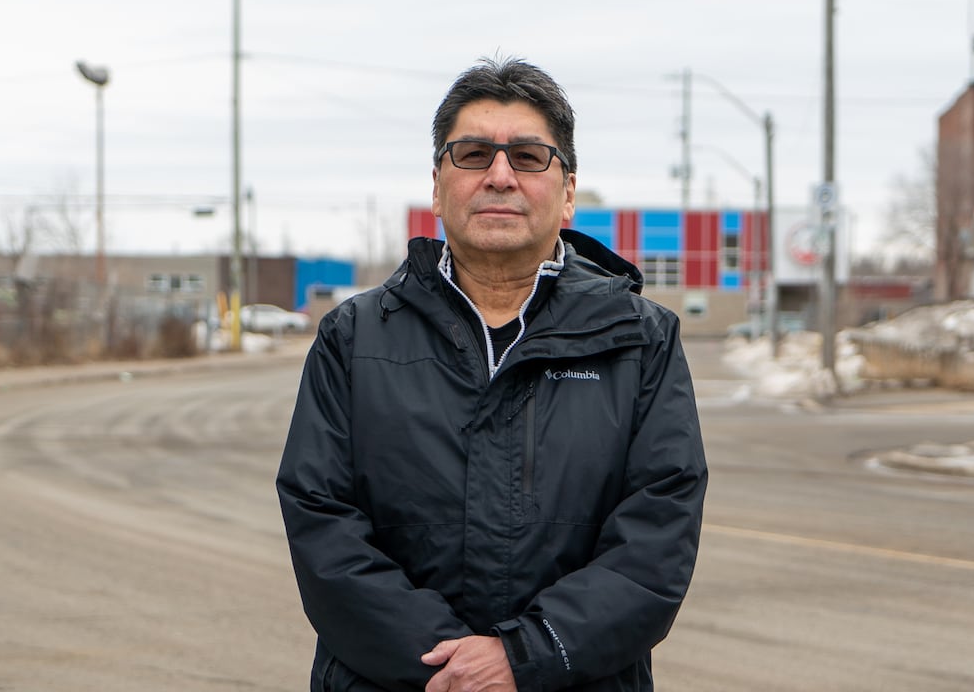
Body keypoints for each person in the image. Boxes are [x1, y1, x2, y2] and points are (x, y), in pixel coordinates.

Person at [277, 56, 707, 692]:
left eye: (529, 156)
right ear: (436, 184)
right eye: (473, 154)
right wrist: (451, 667)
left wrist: (524, 656)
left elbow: (656, 541)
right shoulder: (354, 339)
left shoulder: (642, 341)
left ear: (566, 192)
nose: (500, 176)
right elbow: (322, 526)